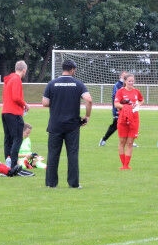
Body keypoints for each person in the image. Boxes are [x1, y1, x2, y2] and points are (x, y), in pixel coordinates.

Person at [42, 59, 93, 188]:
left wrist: (57, 102)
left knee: (53, 154)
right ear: (72, 70)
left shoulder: (52, 84)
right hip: (72, 125)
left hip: (55, 125)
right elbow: (88, 100)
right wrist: (87, 116)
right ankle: (73, 183)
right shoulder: (78, 84)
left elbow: (45, 103)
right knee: (72, 154)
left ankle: (51, 183)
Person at [2, 60, 29, 170]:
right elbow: (16, 97)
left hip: (5, 112)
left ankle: (8, 163)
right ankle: (14, 165)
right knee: (17, 138)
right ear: (24, 70)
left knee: (8, 139)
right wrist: (25, 104)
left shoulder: (9, 79)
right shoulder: (16, 79)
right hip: (14, 113)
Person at [114, 73, 144, 170]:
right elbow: (116, 104)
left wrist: (138, 104)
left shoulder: (136, 91)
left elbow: (141, 100)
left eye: (132, 81)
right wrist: (126, 107)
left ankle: (126, 165)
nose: (131, 82)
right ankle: (123, 165)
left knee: (130, 143)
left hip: (134, 119)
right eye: (129, 81)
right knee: (122, 142)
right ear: (125, 81)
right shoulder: (120, 91)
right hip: (123, 119)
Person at [99, 71, 127, 146]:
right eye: (124, 75)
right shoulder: (117, 85)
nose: (125, 77)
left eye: (126, 75)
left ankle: (129, 141)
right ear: (120, 76)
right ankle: (104, 139)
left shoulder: (127, 85)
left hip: (126, 110)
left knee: (128, 124)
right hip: (118, 109)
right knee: (115, 126)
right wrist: (116, 109)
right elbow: (115, 98)